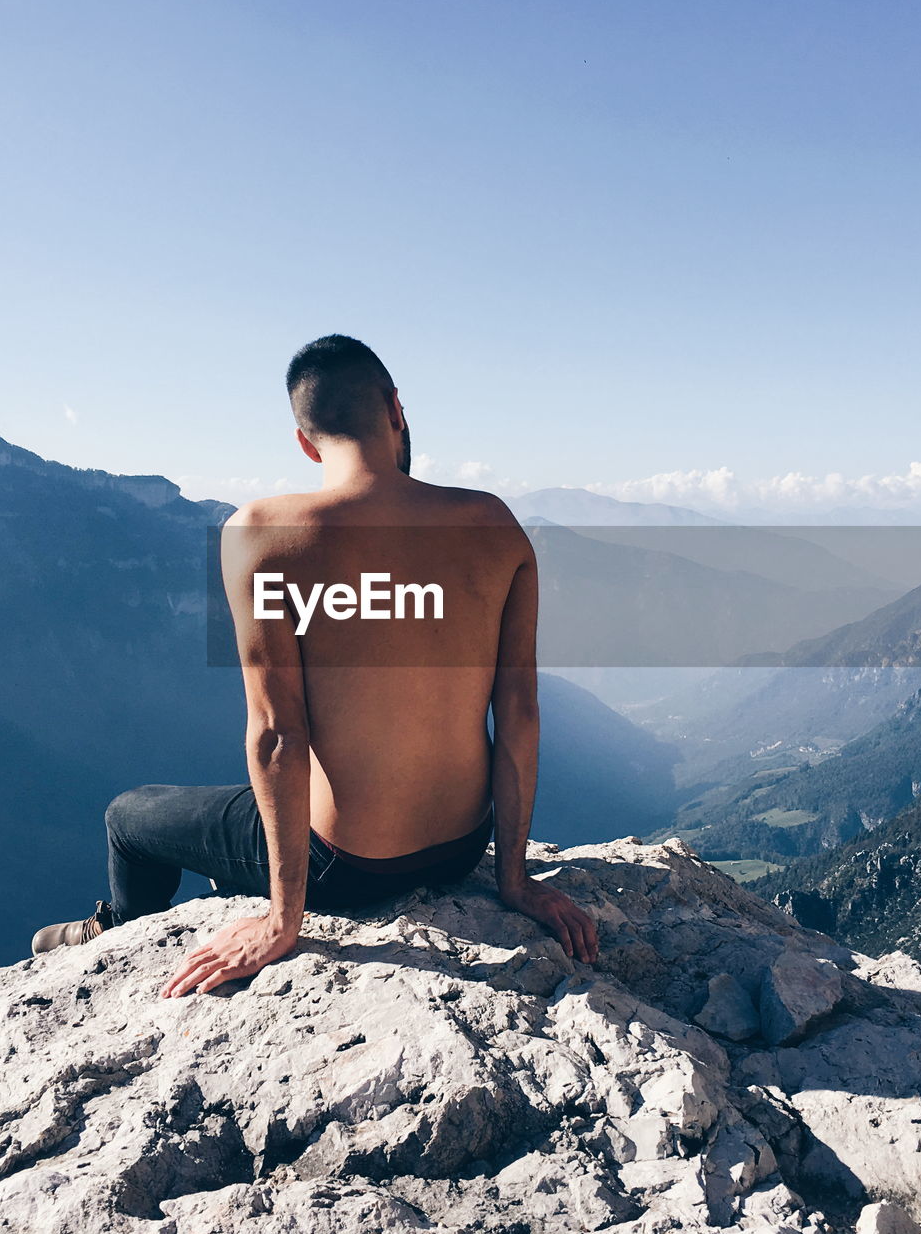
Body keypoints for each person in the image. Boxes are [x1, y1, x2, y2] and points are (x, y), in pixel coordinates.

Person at [31, 334, 598, 995]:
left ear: (304, 442)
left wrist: (283, 917)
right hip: (462, 849)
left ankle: (112, 930)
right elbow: (521, 715)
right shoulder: (495, 525)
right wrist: (515, 880)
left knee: (129, 815)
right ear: (396, 410)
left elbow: (277, 735)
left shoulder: (266, 535)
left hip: (348, 869)